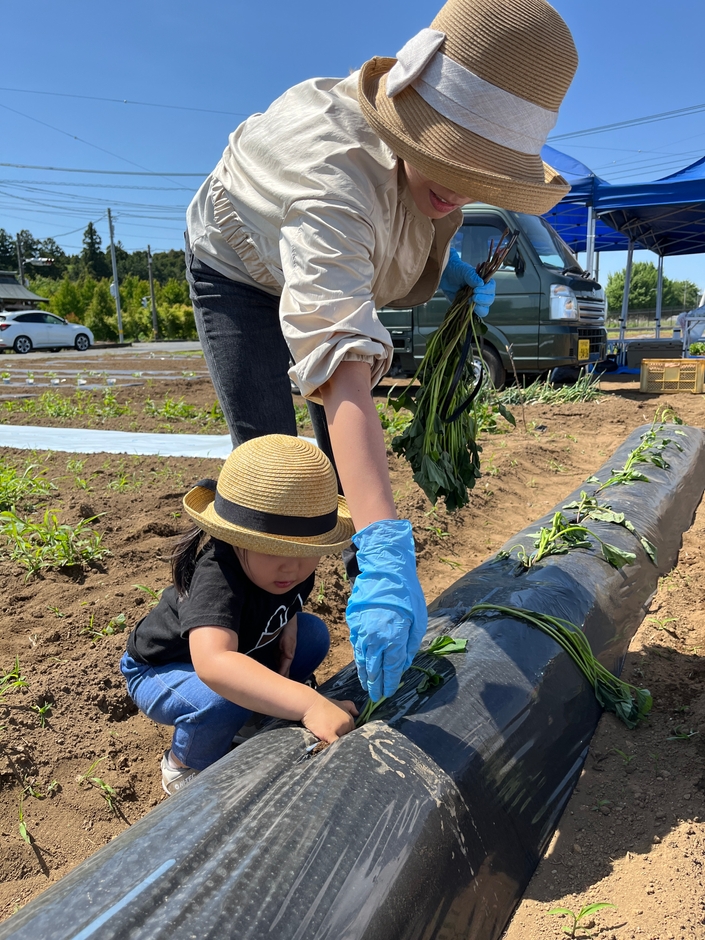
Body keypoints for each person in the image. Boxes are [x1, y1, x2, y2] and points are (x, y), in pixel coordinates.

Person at [185, 0, 578, 703]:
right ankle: (244, 649)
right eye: (446, 160)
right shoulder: (330, 174)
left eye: (481, 175)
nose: (458, 187)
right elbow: (342, 370)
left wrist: (447, 265)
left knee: (342, 472)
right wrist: (389, 555)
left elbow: (408, 222)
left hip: (327, 264)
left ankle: (291, 614)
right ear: (407, 119)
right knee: (273, 469)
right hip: (240, 269)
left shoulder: (432, 174)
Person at [119, 435, 358, 795]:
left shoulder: (285, 572)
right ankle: (183, 765)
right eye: (274, 550)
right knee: (221, 697)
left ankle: (252, 716)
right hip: (163, 669)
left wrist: (288, 621)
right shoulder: (218, 574)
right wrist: (310, 704)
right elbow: (214, 664)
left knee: (312, 635)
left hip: (237, 650)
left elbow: (286, 604)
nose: (291, 567)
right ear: (236, 537)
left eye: (306, 553)